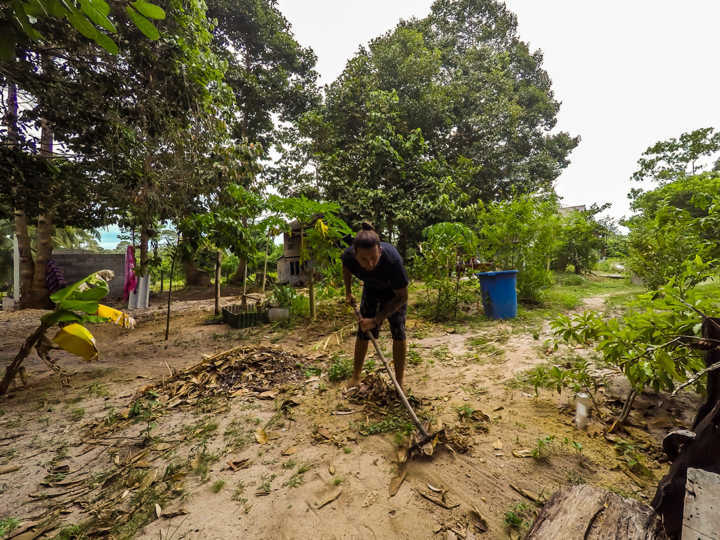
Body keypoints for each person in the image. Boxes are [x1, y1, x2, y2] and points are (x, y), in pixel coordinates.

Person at [341, 223, 409, 388]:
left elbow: (403, 296)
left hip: (394, 294)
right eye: (364, 259)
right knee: (364, 331)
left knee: (398, 332)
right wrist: (348, 292)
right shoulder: (349, 256)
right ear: (355, 253)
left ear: (379, 250)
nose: (370, 264)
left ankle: (399, 382)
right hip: (371, 288)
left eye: (374, 258)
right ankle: (356, 376)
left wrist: (377, 319)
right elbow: (346, 268)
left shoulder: (393, 261)